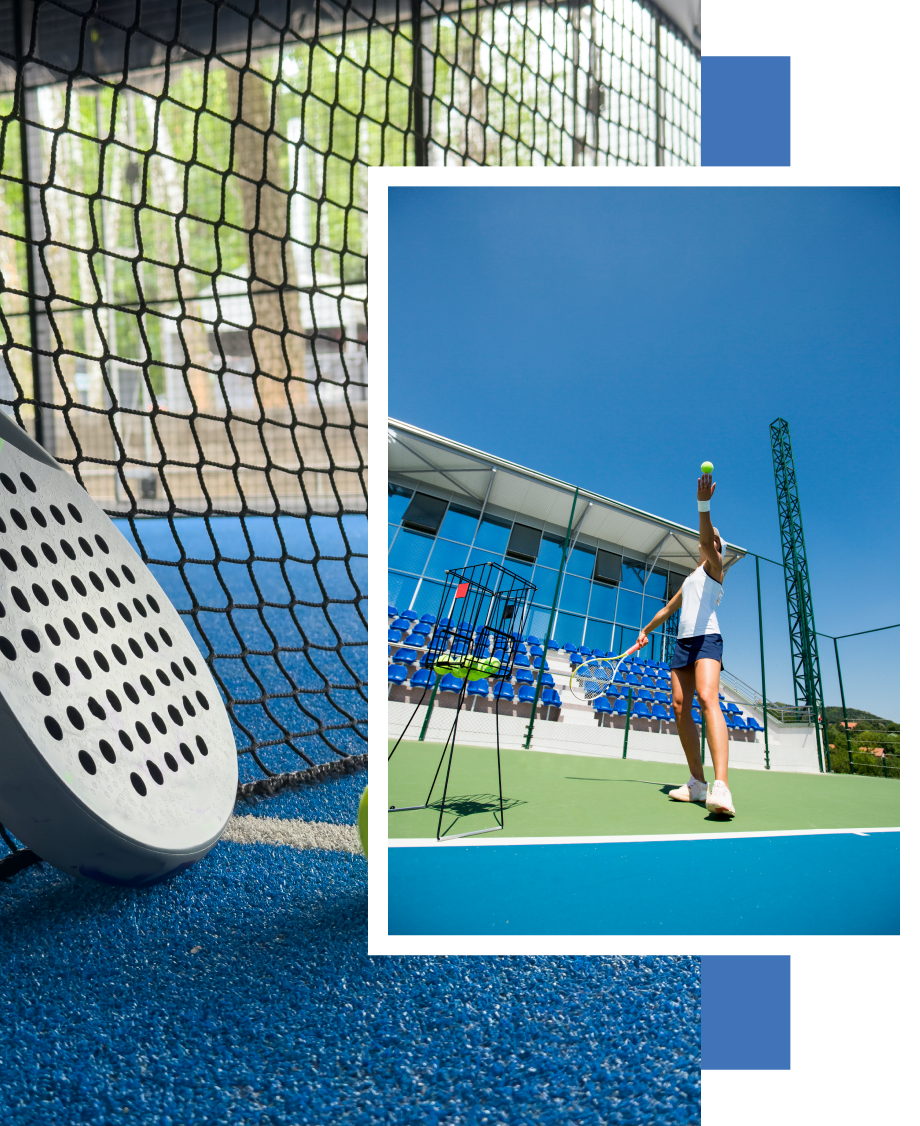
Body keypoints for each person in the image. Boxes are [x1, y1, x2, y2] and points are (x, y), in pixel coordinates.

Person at [636, 472, 737, 816]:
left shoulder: (715, 567)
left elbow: (708, 541)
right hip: (682, 644)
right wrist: (645, 630)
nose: (710, 540)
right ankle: (698, 783)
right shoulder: (691, 578)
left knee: (709, 699)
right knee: (680, 707)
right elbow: (668, 608)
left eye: (715, 539)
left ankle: (721, 788)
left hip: (707, 639)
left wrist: (703, 504)